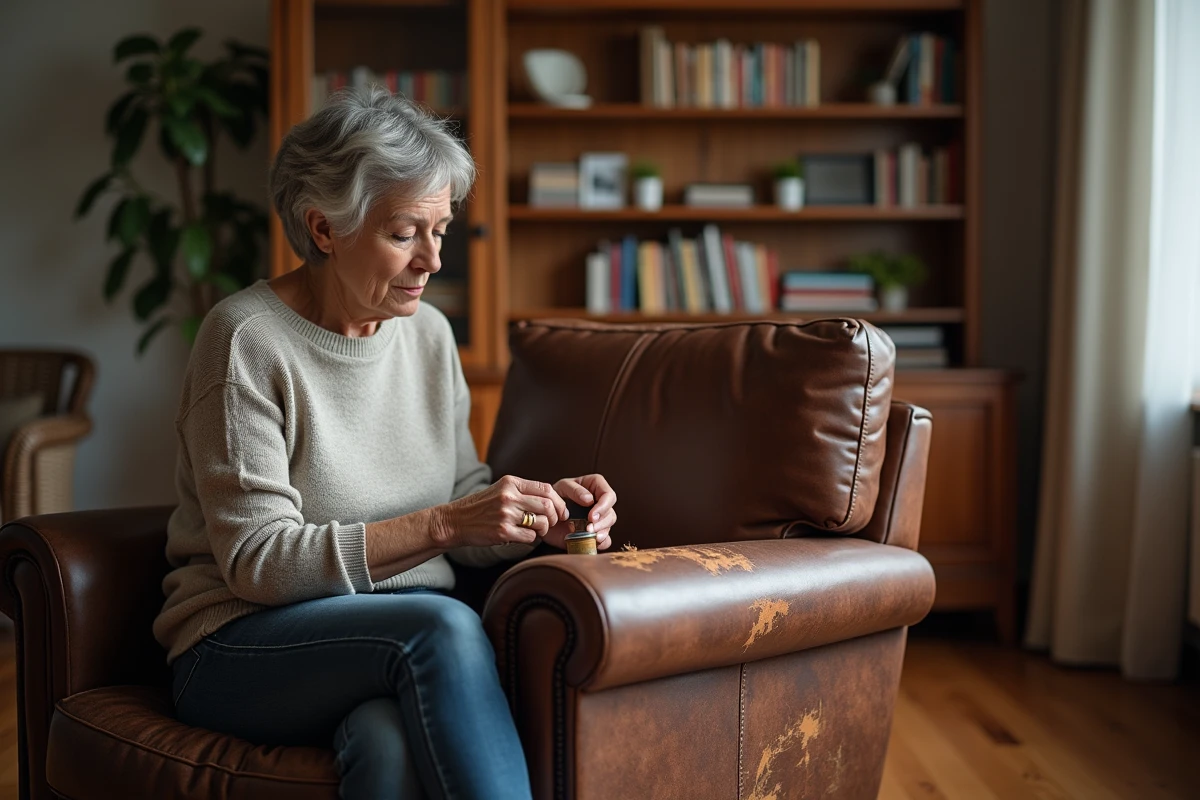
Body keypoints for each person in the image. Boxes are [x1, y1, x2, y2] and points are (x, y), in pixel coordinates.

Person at [151, 86, 618, 800]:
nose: (432, 260)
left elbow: (461, 503)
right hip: (240, 644)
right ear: (324, 228)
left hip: (380, 653)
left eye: (442, 230)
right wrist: (444, 523)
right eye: (405, 232)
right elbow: (257, 563)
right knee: (444, 626)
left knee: (385, 744)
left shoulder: (428, 335)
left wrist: (536, 516)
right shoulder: (246, 338)